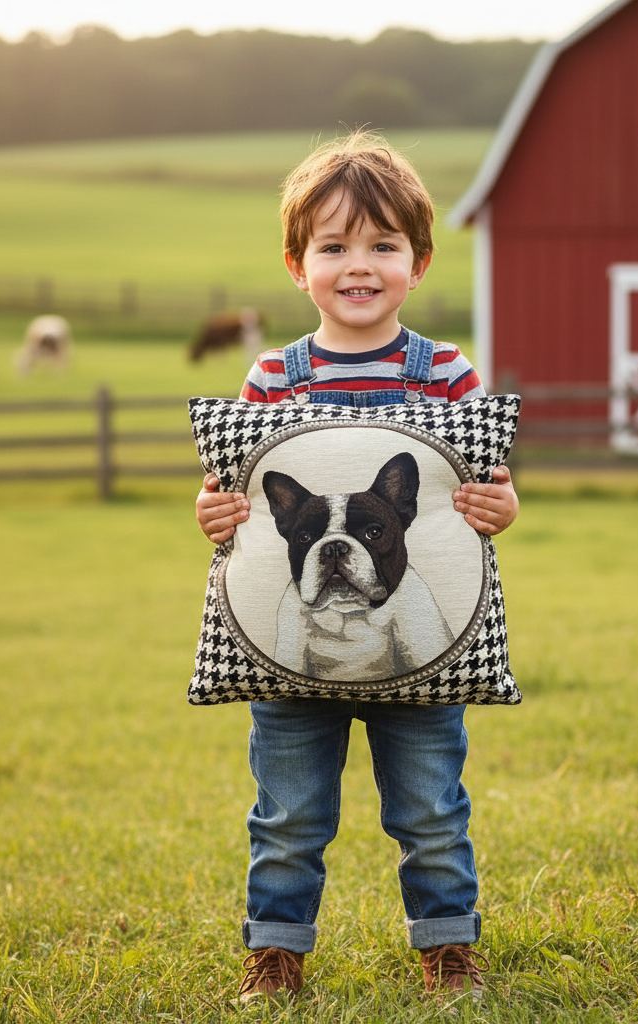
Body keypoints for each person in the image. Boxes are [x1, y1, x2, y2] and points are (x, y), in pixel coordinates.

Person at [195, 131, 519, 1003]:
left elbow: (488, 493)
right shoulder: (270, 376)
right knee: (290, 816)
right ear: (299, 266)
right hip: (284, 655)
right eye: (335, 247)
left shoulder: (447, 373)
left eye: (382, 245)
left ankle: (448, 951)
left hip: (424, 650)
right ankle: (276, 957)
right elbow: (233, 501)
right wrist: (212, 510)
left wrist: (501, 505)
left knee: (431, 812)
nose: (359, 265)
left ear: (418, 260)